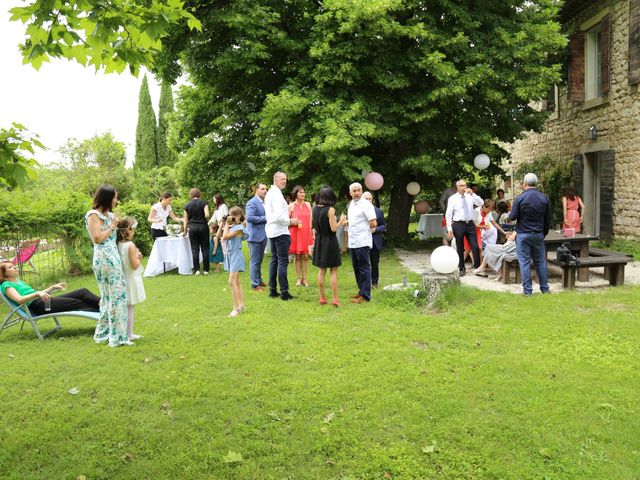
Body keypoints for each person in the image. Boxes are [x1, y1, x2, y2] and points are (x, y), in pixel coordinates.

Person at [85, 185, 131, 347]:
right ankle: (115, 335)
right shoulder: (93, 215)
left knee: (116, 294)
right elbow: (97, 239)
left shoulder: (110, 215)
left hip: (114, 257)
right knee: (112, 295)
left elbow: (115, 237)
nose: (116, 200)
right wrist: (112, 225)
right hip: (104, 259)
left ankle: (110, 332)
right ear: (106, 198)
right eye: (114, 197)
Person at [0, 260, 100, 315]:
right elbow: (20, 299)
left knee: (82, 292)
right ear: (4, 274)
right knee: (78, 302)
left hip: (44, 300)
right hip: (40, 306)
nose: (14, 267)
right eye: (10, 267)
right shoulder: (6, 285)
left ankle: (108, 305)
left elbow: (39, 293)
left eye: (13, 265)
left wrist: (53, 287)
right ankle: (106, 311)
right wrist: (38, 293)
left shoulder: (19, 282)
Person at [509, 173, 552, 296]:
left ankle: (528, 291)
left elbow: (512, 217)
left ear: (524, 184)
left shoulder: (519, 198)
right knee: (540, 262)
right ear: (536, 183)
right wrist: (543, 233)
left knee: (524, 262)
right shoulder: (544, 198)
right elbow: (548, 219)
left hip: (523, 234)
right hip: (538, 234)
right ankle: (544, 288)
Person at [265, 172, 299, 301]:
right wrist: (290, 221)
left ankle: (273, 290)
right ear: (275, 180)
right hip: (279, 231)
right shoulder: (276, 195)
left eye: (285, 179)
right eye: (282, 179)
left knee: (275, 259)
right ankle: (284, 292)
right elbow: (279, 216)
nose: (284, 181)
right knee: (282, 261)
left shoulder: (270, 194)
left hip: (272, 230)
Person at [312, 186, 347, 307]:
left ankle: (322, 298)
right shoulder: (330, 210)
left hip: (319, 240)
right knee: (333, 270)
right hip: (330, 241)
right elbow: (333, 228)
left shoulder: (314, 209)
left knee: (322, 270)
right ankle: (335, 299)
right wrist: (341, 221)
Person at [445, 179, 484, 276]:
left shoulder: (470, 196)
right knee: (460, 247)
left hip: (470, 223)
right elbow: (448, 214)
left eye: (465, 185)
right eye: (462, 186)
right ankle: (461, 268)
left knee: (475, 246)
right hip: (458, 224)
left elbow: (481, 203)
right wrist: (449, 228)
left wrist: (473, 194)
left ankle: (477, 268)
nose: (464, 187)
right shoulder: (453, 198)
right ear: (457, 187)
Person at [116, 217, 146, 341]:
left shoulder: (118, 244)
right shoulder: (130, 245)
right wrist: (138, 258)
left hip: (123, 277)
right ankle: (129, 333)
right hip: (130, 279)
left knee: (125, 306)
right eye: (132, 230)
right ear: (126, 231)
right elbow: (134, 265)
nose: (134, 232)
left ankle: (126, 332)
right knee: (130, 307)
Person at [347, 182, 377, 303]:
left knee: (364, 267)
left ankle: (365, 296)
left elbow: (373, 222)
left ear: (361, 190)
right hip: (353, 240)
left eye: (358, 190)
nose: (357, 193)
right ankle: (361, 291)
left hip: (362, 240)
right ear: (350, 193)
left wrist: (364, 230)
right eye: (354, 191)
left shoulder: (366, 204)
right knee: (356, 267)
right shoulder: (351, 204)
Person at [222, 206, 249, 317]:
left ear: (238, 216)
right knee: (236, 281)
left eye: (233, 216)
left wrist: (227, 225)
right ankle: (241, 305)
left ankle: (236, 308)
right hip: (230, 255)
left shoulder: (239, 228)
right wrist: (224, 224)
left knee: (231, 281)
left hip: (236, 255)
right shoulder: (233, 227)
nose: (231, 218)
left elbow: (225, 237)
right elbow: (220, 234)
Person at [288, 185, 313, 287]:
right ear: (296, 194)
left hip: (306, 233)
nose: (303, 194)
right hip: (296, 233)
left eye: (303, 192)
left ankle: (305, 279)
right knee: (297, 256)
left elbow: (311, 220)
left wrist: (311, 232)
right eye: (300, 192)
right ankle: (298, 279)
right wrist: (293, 222)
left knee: (306, 256)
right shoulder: (291, 206)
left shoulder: (308, 204)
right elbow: (286, 221)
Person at [246, 183, 268, 291]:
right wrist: (266, 218)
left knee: (259, 260)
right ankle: (255, 284)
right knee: (254, 260)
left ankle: (258, 280)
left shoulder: (264, 202)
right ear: (256, 190)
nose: (265, 191)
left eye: (266, 189)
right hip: (254, 236)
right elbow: (250, 218)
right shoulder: (252, 202)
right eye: (262, 189)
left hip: (263, 235)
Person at [183, 188, 210, 275]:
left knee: (195, 249)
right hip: (203, 227)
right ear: (199, 194)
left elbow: (185, 220)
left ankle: (197, 270)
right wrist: (208, 221)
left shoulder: (187, 205)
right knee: (205, 248)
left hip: (192, 228)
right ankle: (206, 270)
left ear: (191, 195)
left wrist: (185, 231)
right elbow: (207, 214)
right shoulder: (204, 203)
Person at [362, 191, 386, 288]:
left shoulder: (378, 211)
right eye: (365, 198)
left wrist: (376, 229)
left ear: (372, 200)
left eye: (369, 198)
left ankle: (374, 282)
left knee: (374, 263)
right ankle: (364, 283)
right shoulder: (359, 211)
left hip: (375, 241)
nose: (367, 200)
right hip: (362, 240)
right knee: (363, 263)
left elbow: (383, 226)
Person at [439, 180, 457, 246]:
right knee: (445, 233)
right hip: (447, 214)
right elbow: (441, 201)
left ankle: (454, 248)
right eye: (455, 183)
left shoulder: (461, 192)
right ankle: (446, 248)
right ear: (453, 183)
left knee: (456, 232)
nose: (456, 185)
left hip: (457, 214)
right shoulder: (447, 191)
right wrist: (446, 210)